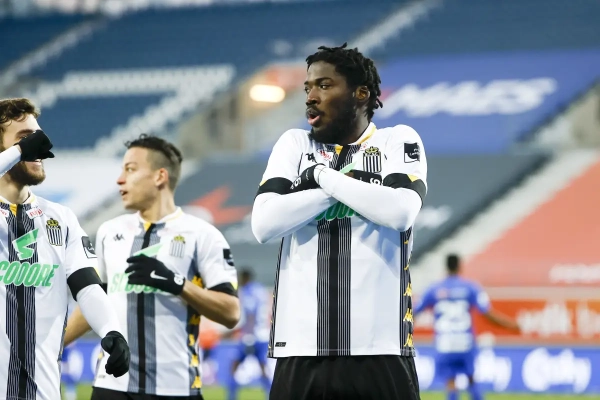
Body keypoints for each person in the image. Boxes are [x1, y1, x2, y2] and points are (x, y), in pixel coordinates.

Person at [251, 43, 427, 400]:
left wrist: (321, 177)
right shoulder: (294, 144)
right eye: (308, 88)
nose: (311, 97)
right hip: (300, 350)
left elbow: (400, 211)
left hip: (381, 349)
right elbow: (264, 224)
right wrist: (345, 187)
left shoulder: (397, 140)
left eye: (324, 85)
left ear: (361, 94)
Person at [64, 134, 241, 400]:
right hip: (112, 386)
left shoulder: (203, 235)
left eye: (130, 169)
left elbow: (231, 312)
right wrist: (49, 348)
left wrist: (177, 284)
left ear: (160, 177)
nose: (120, 179)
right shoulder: (109, 232)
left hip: (176, 388)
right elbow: (95, 303)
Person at [0, 98, 130, 400]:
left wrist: (111, 330)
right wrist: (18, 152)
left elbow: (88, 286)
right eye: (25, 138)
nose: (38, 145)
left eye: (38, 136)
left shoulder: (61, 218)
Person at [413, 254, 520, 400]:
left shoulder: (434, 289)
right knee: (471, 380)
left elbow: (414, 312)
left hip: (445, 344)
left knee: (451, 383)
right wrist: (511, 325)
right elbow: (487, 313)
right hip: (465, 343)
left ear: (446, 267)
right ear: (459, 266)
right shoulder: (470, 287)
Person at [226, 268, 270, 400]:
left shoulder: (247, 292)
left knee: (234, 366)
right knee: (263, 368)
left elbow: (251, 313)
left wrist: (243, 333)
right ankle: (270, 395)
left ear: (245, 278)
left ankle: (232, 397)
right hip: (262, 335)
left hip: (251, 336)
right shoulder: (261, 290)